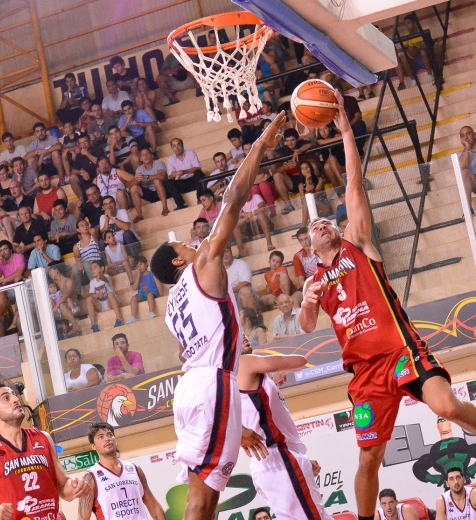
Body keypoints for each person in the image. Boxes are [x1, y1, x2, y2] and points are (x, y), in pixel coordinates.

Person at [299, 94, 476, 520]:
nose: (322, 223)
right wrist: (306, 303)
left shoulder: (357, 244)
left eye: (326, 220)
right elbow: (306, 327)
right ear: (309, 246)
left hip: (400, 353)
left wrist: (345, 133)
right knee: (368, 460)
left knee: (447, 407)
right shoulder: (314, 282)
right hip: (364, 375)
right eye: (314, 226)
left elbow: (353, 187)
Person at [148, 113, 285, 520]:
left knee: (200, 499)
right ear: (178, 259)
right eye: (183, 244)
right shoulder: (202, 263)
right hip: (212, 384)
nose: (194, 244)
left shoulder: (172, 307)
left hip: (189, 388)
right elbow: (235, 199)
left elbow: (184, 351)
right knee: (204, 503)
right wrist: (259, 145)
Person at [0, 383, 86, 519]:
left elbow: (64, 489)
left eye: (14, 395)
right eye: (6, 398)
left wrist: (75, 485)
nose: (15, 399)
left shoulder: (43, 438)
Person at [237, 352, 332, 520]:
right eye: (239, 331)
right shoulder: (244, 362)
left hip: (275, 461)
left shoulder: (235, 377)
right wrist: (279, 370)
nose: (244, 335)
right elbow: (299, 360)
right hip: (278, 460)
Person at [78, 422, 166, 520]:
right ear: (93, 446)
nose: (107, 439)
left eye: (110, 435)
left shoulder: (135, 469)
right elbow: (82, 518)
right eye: (101, 437)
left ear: (115, 440)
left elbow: (153, 506)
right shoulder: (90, 477)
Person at [87, 261, 122, 333]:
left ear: (102, 268)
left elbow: (104, 279)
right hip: (101, 305)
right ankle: (94, 325)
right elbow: (91, 294)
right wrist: (97, 295)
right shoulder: (92, 282)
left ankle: (119, 319)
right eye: (91, 269)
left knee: (110, 294)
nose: (93, 270)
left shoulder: (106, 276)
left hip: (111, 302)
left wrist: (101, 276)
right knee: (89, 299)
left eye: (95, 267)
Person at [128, 255, 159, 323]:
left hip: (152, 293)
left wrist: (161, 294)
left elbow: (158, 284)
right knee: (133, 298)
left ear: (146, 263)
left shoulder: (152, 274)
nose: (139, 267)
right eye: (137, 266)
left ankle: (151, 311)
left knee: (149, 295)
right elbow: (134, 288)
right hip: (141, 295)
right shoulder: (138, 277)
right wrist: (138, 276)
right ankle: (134, 317)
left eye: (141, 264)